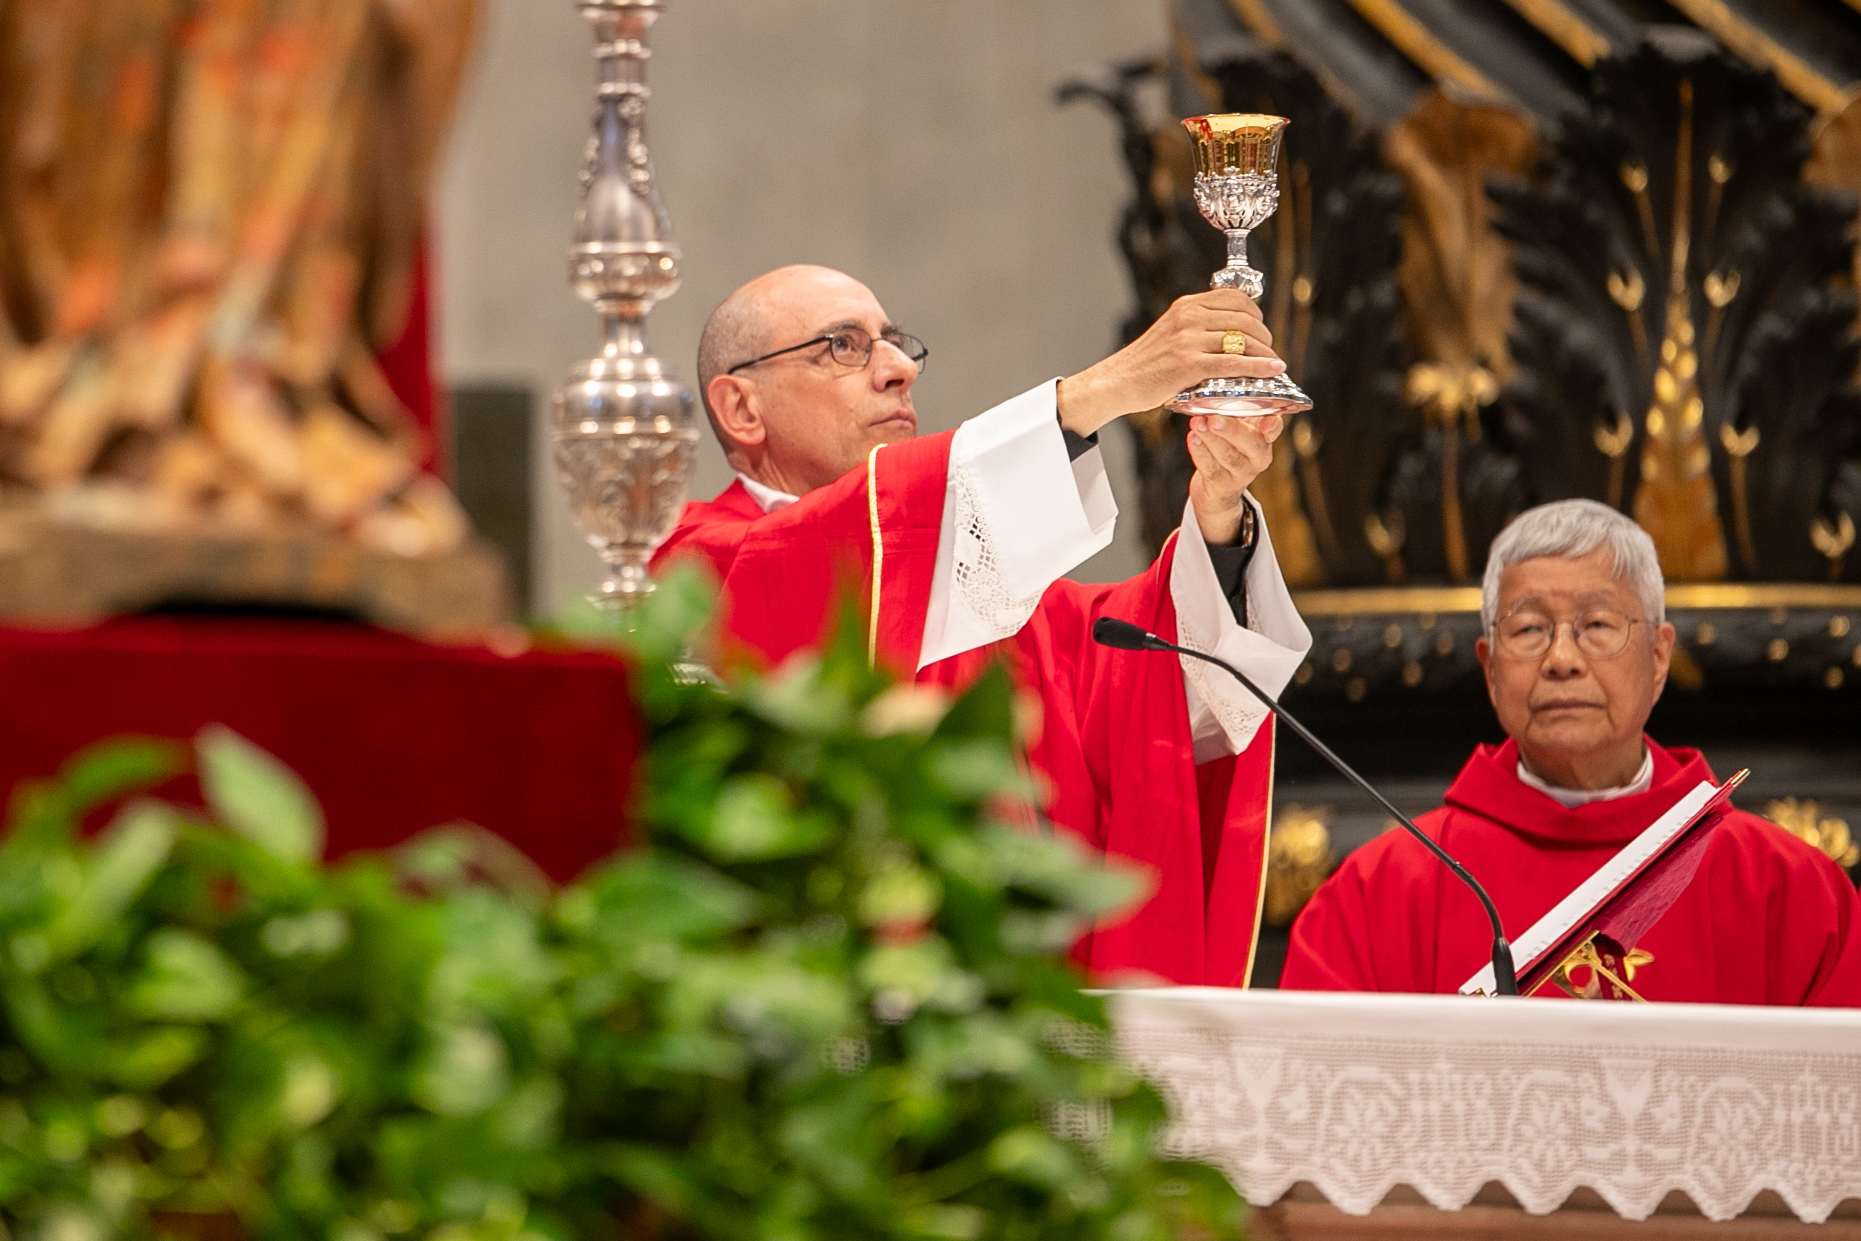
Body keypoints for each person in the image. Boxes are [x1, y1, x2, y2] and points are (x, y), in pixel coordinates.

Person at [654, 264, 1313, 986]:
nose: (899, 368)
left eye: (894, 342)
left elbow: (1149, 679)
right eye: (840, 346)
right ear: (741, 406)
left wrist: (1218, 517)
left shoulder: (982, 593)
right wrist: (1105, 391)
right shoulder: (699, 568)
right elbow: (834, 553)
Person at [1280, 499, 1861, 1004]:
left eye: (1598, 625)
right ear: (1489, 667)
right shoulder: (1383, 892)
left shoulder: (1787, 890)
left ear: (1659, 658)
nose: (1562, 658)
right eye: (1529, 629)